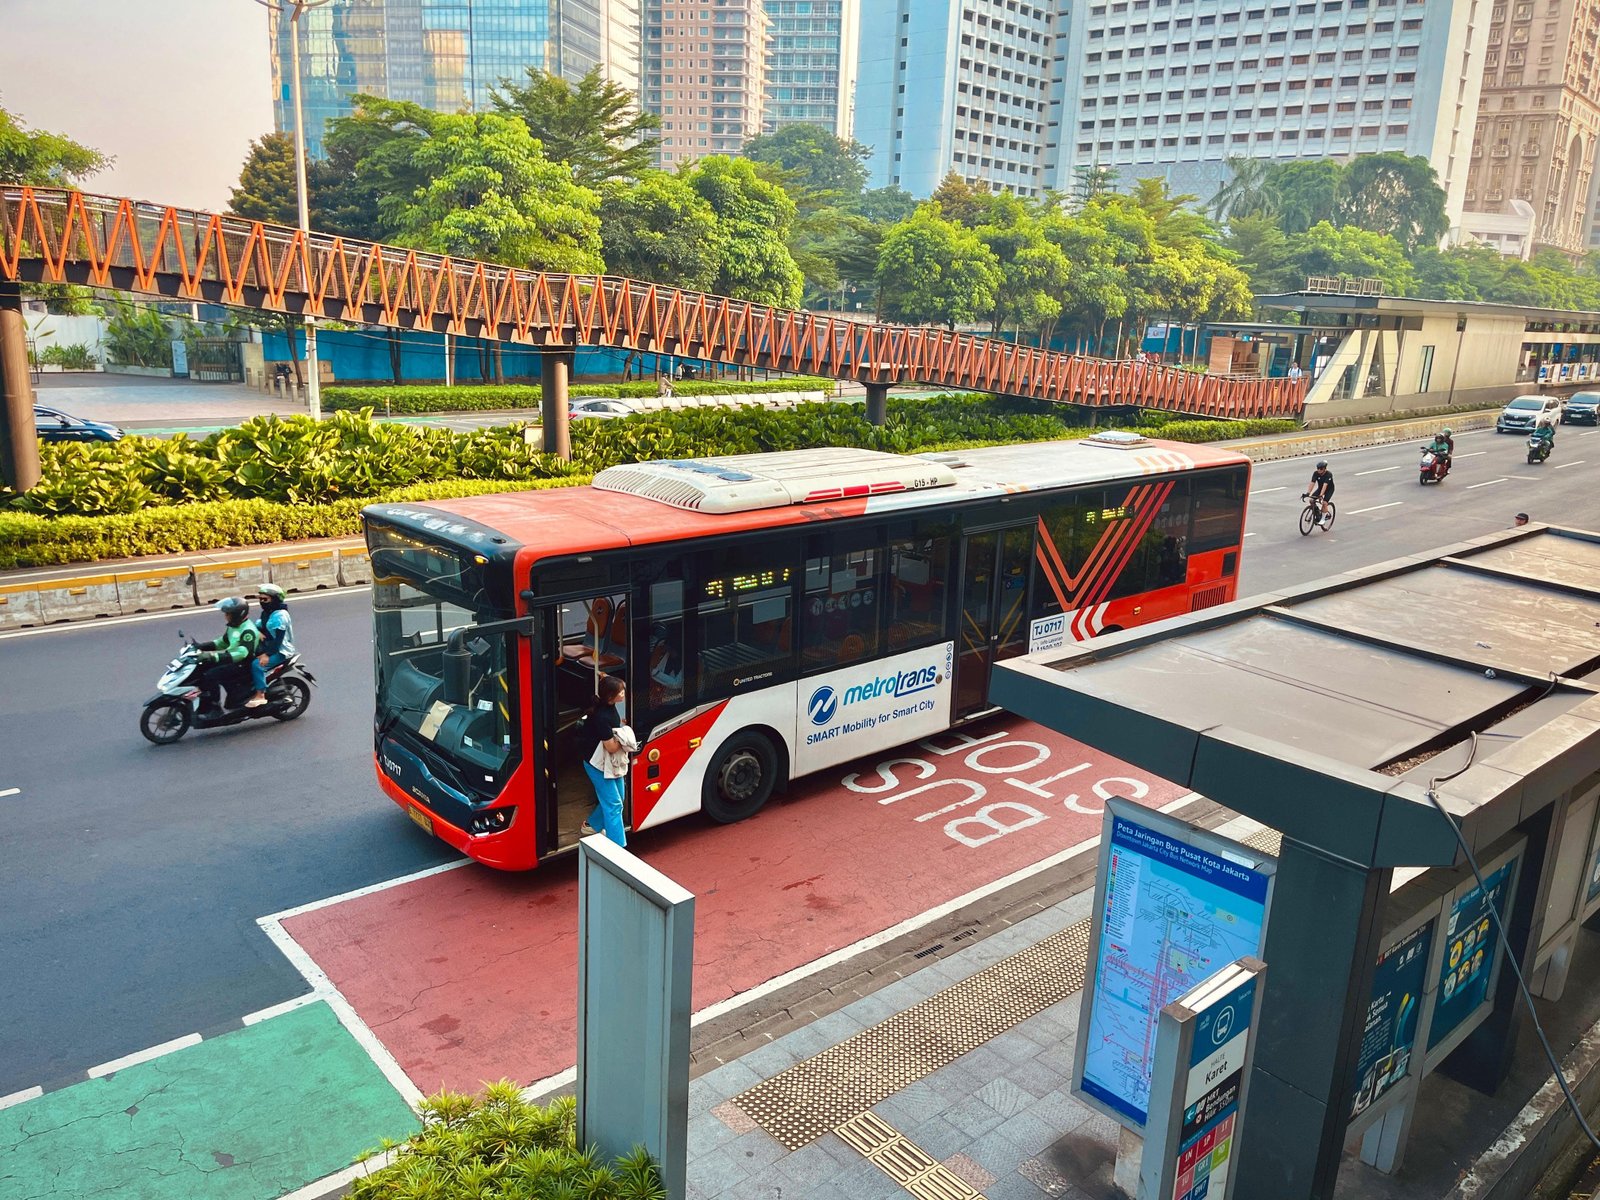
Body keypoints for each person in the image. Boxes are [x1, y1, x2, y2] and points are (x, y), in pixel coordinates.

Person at [578, 675, 633, 846]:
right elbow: (611, 747)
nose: (624, 694)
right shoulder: (602, 717)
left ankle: (592, 825)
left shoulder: (606, 705)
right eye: (621, 692)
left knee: (617, 798)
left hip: (606, 763)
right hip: (598, 765)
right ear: (611, 696)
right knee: (615, 804)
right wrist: (624, 736)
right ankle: (618, 848)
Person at [194, 596, 261, 712]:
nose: (225, 616)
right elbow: (222, 643)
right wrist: (201, 646)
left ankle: (214, 708)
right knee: (201, 667)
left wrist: (214, 657)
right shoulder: (234, 627)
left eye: (228, 614)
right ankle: (204, 703)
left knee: (211, 675)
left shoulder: (247, 630)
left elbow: (242, 653)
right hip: (232, 659)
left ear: (237, 615)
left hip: (242, 664)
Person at [246, 583, 296, 708]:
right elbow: (258, 627)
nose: (262, 602)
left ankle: (260, 695)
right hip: (266, 646)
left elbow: (278, 641)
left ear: (274, 599)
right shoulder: (267, 613)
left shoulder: (280, 616)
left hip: (279, 651)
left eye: (265, 599)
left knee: (257, 665)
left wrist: (266, 655)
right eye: (261, 599)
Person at [1307, 460, 1335, 529]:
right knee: (1311, 500)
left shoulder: (1329, 474)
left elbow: (1325, 486)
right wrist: (1308, 493)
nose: (1319, 470)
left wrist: (1321, 495)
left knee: (1325, 503)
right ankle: (1317, 513)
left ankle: (1323, 518)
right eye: (1318, 468)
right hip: (1320, 488)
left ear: (1325, 469)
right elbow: (1312, 483)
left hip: (1329, 490)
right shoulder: (1316, 473)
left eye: (1321, 469)